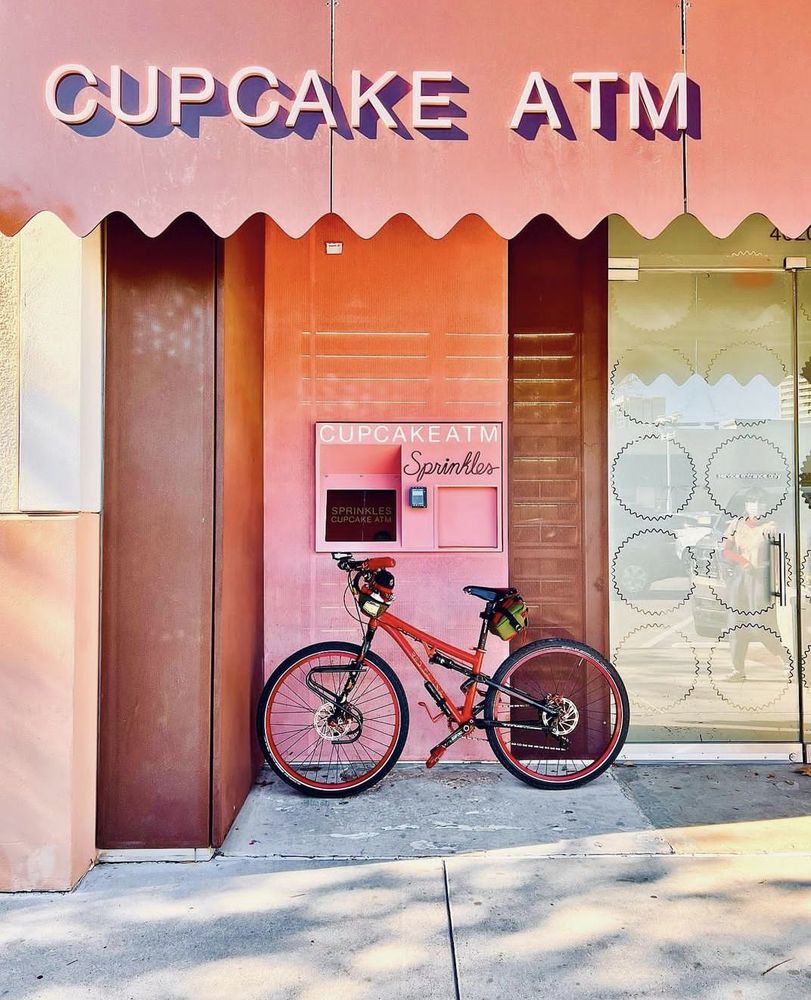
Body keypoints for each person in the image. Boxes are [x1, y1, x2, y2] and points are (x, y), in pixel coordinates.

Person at [720, 488, 786, 681]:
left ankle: (786, 658)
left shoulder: (770, 527)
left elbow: (778, 556)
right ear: (746, 505)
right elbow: (726, 550)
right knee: (736, 624)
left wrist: (777, 586)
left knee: (761, 625)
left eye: (760, 502)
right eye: (752, 501)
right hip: (741, 578)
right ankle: (737, 670)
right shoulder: (735, 525)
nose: (756, 506)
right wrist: (741, 561)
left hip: (761, 579)